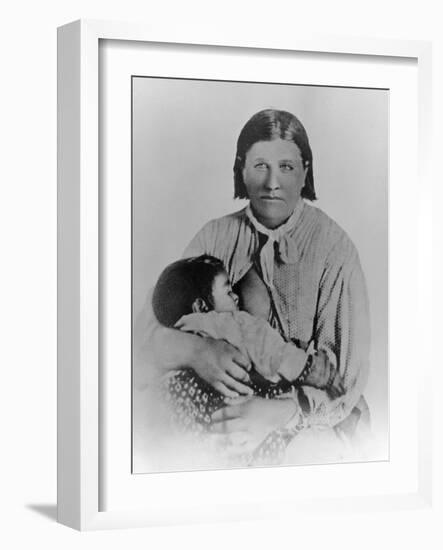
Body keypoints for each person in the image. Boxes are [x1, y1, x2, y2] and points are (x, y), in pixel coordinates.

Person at [135, 108, 371, 465]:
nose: (272, 182)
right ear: (241, 170)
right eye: (260, 166)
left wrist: (277, 413)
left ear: (305, 170)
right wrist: (197, 352)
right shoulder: (215, 236)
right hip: (220, 413)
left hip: (308, 426)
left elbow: (345, 384)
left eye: (287, 167)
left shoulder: (335, 250)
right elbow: (145, 338)